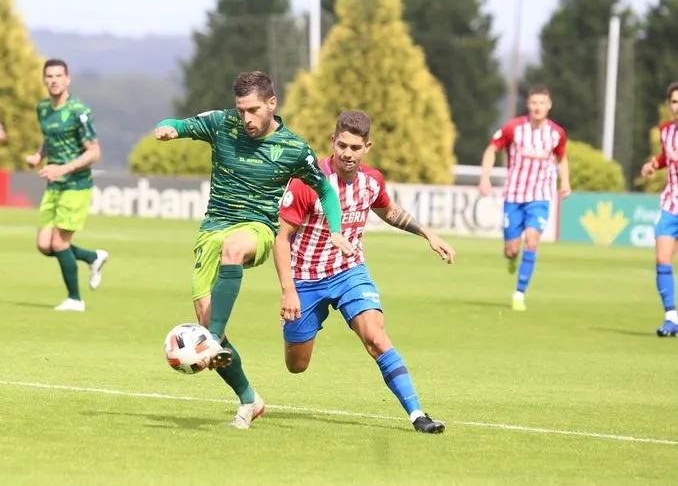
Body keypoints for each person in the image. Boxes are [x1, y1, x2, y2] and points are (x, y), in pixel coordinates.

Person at [153, 71, 354, 429]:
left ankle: (213, 339)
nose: (246, 118)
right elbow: (178, 123)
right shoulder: (221, 124)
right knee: (205, 318)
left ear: (272, 104)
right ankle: (249, 398)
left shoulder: (293, 148)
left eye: (254, 109)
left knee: (232, 256)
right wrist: (166, 128)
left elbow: (324, 190)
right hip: (212, 229)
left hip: (257, 228)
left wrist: (336, 230)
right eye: (241, 109)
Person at [274, 110, 453, 434]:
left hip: (349, 272)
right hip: (304, 279)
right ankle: (306, 323)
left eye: (355, 147)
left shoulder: (372, 181)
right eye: (342, 145)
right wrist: (288, 290)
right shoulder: (306, 182)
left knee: (375, 335)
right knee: (296, 365)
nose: (347, 153)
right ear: (332, 142)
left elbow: (390, 211)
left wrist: (428, 234)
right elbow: (282, 238)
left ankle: (418, 415)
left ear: (367, 147)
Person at [26, 58, 108, 312]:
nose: (53, 80)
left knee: (59, 244)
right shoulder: (43, 109)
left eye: (58, 76)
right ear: (44, 80)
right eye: (49, 76)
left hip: (76, 184)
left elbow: (94, 152)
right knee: (44, 245)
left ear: (67, 79)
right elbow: (48, 138)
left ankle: (75, 299)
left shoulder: (78, 111)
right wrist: (39, 156)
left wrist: (63, 168)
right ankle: (92, 257)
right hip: (54, 185)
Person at [479, 85, 571, 311]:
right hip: (514, 196)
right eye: (534, 103)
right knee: (511, 249)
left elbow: (561, 158)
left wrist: (565, 182)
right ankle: (512, 258)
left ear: (549, 106)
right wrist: (485, 177)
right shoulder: (514, 128)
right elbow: (492, 149)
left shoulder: (556, 133)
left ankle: (519, 293)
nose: (538, 107)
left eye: (542, 103)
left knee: (532, 239)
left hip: (540, 196)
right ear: (528, 105)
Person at [640, 82, 678, 337]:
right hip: (671, 203)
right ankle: (671, 318)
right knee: (662, 259)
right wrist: (653, 164)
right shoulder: (666, 131)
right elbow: (668, 156)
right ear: (669, 105)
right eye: (674, 102)